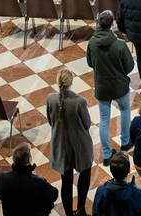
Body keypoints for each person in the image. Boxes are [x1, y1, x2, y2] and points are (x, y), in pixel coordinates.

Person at [86, 10, 135, 166]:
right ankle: (125, 142)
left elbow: (90, 63)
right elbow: (129, 66)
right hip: (120, 86)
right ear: (113, 24)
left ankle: (106, 154)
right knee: (125, 110)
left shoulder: (92, 43)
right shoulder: (120, 44)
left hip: (102, 87)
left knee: (104, 119)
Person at [46, 67, 93, 216]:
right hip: (79, 145)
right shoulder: (80, 101)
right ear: (71, 82)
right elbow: (87, 124)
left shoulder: (50, 99)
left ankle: (68, 214)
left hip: (60, 145)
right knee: (85, 171)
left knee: (66, 181)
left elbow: (50, 122)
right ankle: (81, 209)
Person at [0, 142, 59, 216]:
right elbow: (53, 195)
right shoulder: (39, 183)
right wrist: (34, 177)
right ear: (29, 160)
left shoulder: (1, 179)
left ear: (13, 159)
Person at [92, 150, 141, 215]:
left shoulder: (100, 191)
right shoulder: (137, 194)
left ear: (110, 170)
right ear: (129, 171)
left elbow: (95, 213)